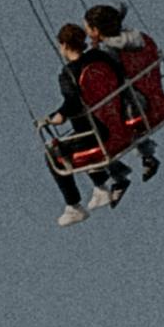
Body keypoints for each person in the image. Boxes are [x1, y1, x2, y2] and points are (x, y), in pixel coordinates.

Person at [44, 22, 128, 221]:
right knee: (76, 139)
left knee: (53, 153)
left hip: (97, 133)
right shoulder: (99, 57)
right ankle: (101, 187)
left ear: (64, 45)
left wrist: (59, 116)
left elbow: (73, 102)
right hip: (116, 120)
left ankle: (73, 206)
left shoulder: (69, 74)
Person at [83, 1, 164, 177]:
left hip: (133, 103)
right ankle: (146, 156)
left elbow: (110, 77)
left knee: (96, 119)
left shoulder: (109, 51)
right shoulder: (137, 39)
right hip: (150, 95)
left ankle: (115, 171)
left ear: (96, 31)